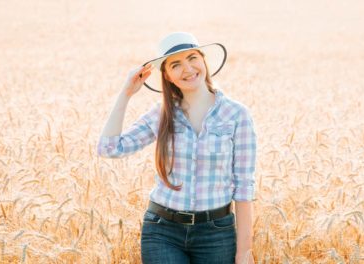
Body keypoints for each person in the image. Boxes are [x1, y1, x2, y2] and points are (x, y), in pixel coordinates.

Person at [97, 32, 256, 264]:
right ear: (168, 76)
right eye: (176, 65)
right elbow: (109, 148)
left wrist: (244, 252)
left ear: (204, 61)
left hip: (216, 233)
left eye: (192, 58)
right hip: (163, 231)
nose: (188, 69)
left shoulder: (236, 114)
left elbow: (244, 186)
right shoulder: (161, 114)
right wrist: (126, 94)